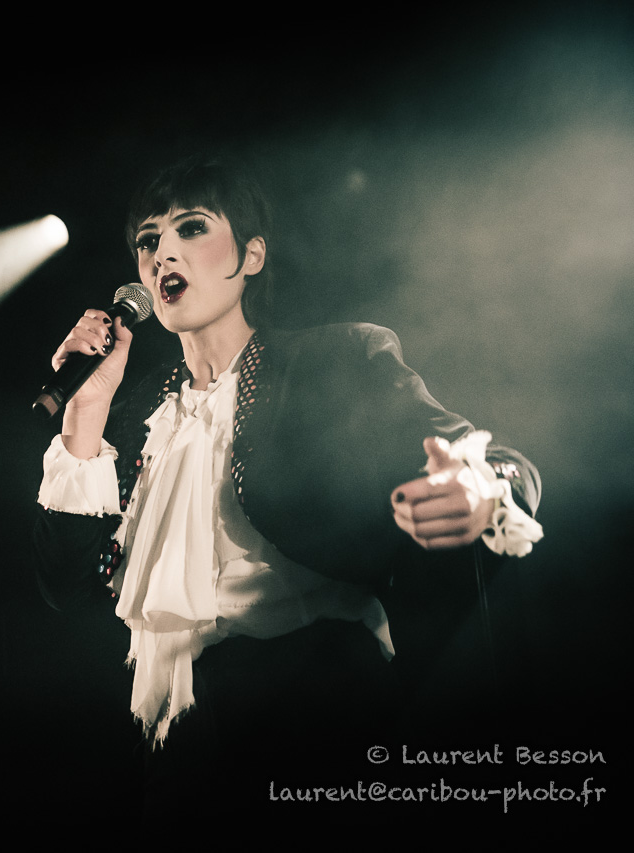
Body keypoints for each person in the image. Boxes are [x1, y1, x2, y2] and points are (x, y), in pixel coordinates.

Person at [31, 156, 542, 823]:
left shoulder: (332, 360)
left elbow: (499, 460)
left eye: (191, 227)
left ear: (251, 255)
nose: (162, 254)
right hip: (175, 746)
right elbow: (70, 586)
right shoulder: (136, 419)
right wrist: (85, 412)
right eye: (148, 241)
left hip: (314, 708)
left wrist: (480, 487)